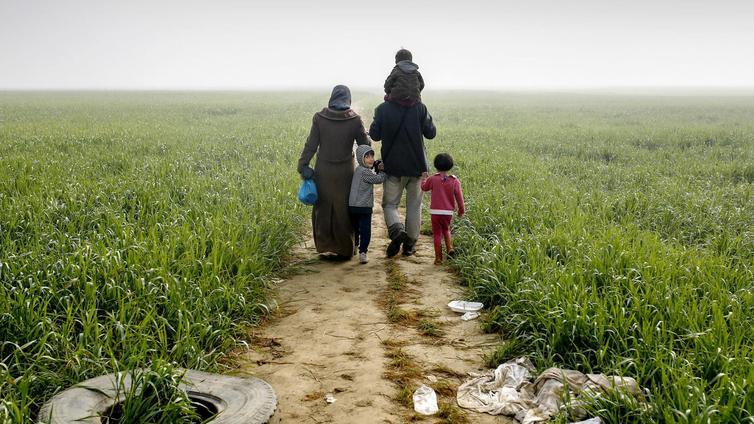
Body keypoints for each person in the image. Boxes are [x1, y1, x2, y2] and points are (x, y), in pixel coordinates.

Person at [297, 85, 370, 258]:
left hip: (324, 169)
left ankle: (325, 246)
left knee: (323, 207)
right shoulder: (355, 120)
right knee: (344, 208)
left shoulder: (320, 118)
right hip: (346, 171)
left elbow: (311, 145)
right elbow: (364, 146)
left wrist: (303, 165)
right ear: (348, 100)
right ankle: (345, 249)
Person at [369, 93, 436, 258]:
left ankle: (397, 230)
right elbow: (431, 133)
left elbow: (374, 135)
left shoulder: (383, 108)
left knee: (390, 205)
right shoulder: (420, 108)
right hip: (418, 167)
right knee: (414, 206)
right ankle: (409, 246)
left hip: (393, 167)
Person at [421, 153, 465, 265]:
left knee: (437, 234)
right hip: (448, 212)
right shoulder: (454, 181)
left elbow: (424, 188)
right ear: (450, 166)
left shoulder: (432, 179)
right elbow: (459, 198)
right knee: (446, 229)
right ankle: (450, 248)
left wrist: (424, 178)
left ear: (436, 166)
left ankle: (438, 258)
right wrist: (461, 210)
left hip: (435, 212)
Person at [349, 145, 387, 264]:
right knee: (365, 230)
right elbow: (379, 179)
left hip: (353, 206)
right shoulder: (365, 171)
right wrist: (383, 170)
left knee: (355, 228)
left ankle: (355, 247)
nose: (370, 159)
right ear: (361, 158)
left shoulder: (358, 170)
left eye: (372, 156)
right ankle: (363, 252)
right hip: (364, 206)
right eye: (367, 157)